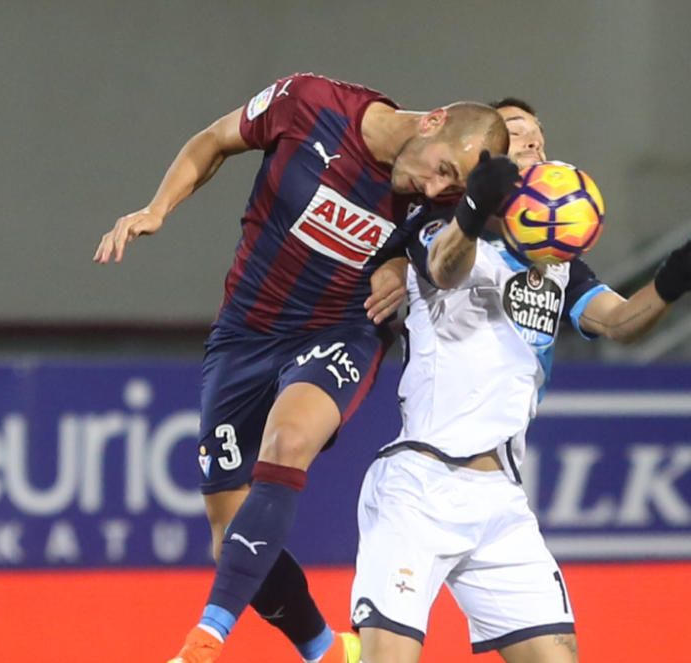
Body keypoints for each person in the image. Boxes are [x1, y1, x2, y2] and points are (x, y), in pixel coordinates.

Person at [93, 72, 510, 663]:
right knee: (229, 536)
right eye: (442, 168)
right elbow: (213, 141)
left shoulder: (442, 203)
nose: (436, 185)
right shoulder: (310, 103)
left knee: (287, 441)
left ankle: (205, 639)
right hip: (244, 331)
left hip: (341, 328)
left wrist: (402, 268)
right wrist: (158, 208)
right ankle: (326, 650)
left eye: (453, 184)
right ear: (432, 120)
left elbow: (444, 261)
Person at [348, 99, 691, 662]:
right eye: (518, 134)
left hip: (500, 497)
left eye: (540, 139)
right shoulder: (437, 223)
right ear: (485, 152)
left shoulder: (557, 265)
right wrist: (474, 208)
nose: (534, 146)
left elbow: (618, 322)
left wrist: (666, 288)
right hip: (419, 484)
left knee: (557, 655)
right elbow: (446, 269)